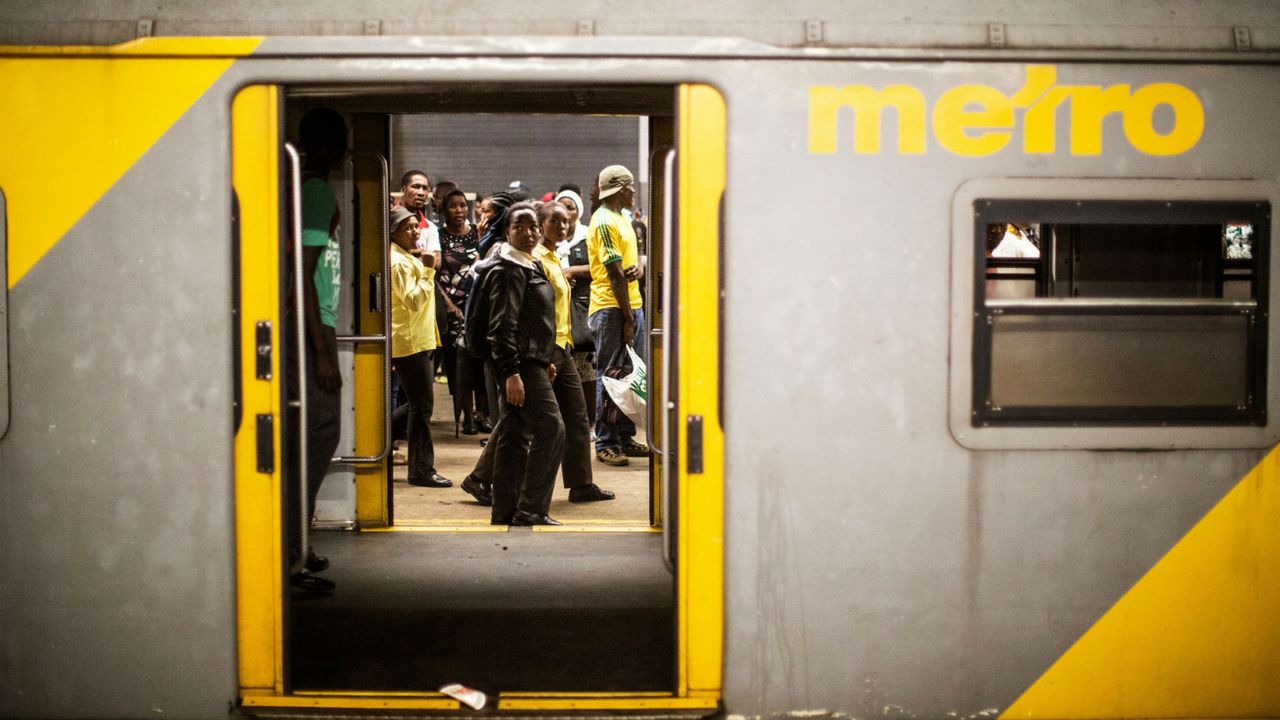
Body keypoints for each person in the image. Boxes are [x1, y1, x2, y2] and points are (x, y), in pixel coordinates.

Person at [289, 107, 347, 593]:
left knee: (313, 436)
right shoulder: (314, 190)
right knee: (317, 435)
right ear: (327, 147)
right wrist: (323, 352)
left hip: (314, 326)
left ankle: (297, 548)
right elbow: (303, 273)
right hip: (313, 328)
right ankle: (292, 556)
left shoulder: (305, 187)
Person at [478, 201, 565, 525]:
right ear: (506, 231)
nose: (529, 233)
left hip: (531, 362)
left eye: (533, 226)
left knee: (514, 434)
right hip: (520, 364)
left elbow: (531, 320)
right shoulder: (508, 270)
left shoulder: (527, 264)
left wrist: (543, 360)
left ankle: (505, 511)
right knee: (552, 428)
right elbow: (502, 327)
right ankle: (531, 508)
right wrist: (512, 373)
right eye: (520, 226)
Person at [535, 201, 614, 502]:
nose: (562, 226)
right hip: (547, 347)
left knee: (577, 416)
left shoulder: (554, 257)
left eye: (565, 221)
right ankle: (482, 477)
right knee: (525, 419)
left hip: (563, 346)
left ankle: (581, 484)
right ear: (541, 224)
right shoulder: (537, 260)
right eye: (554, 221)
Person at [586, 165, 647, 466]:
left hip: (629, 305)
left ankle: (624, 435)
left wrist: (640, 270)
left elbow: (627, 267)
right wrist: (628, 318)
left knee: (628, 376)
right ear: (620, 188)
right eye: (631, 186)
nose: (634, 191)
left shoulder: (622, 219)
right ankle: (605, 442)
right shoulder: (604, 222)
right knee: (609, 376)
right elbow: (613, 273)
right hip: (612, 309)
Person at [389, 205, 452, 489]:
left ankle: (386, 437)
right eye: (408, 228)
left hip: (419, 339)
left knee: (418, 405)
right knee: (421, 407)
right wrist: (428, 271)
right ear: (394, 233)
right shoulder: (398, 262)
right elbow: (413, 301)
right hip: (409, 341)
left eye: (416, 226)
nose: (416, 231)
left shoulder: (405, 257)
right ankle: (421, 470)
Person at [436, 188, 491, 435]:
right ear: (444, 210)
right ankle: (466, 416)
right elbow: (435, 276)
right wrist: (449, 305)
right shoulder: (438, 237)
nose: (459, 210)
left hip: (477, 307)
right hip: (452, 310)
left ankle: (483, 414)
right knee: (458, 366)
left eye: (462, 206)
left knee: (480, 360)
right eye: (453, 206)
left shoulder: (476, 236)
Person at [555, 188, 597, 428]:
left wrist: (571, 272)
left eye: (571, 207)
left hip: (581, 311)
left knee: (587, 373)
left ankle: (588, 423)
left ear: (578, 211)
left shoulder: (587, 236)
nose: (566, 213)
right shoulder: (547, 239)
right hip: (557, 314)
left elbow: (598, 267)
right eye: (561, 207)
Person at [395, 170, 442, 268]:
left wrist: (406, 255)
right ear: (403, 190)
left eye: (425, 188)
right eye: (416, 187)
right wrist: (422, 255)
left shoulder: (430, 227)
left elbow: (436, 262)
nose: (421, 192)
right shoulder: (389, 220)